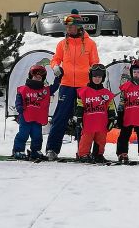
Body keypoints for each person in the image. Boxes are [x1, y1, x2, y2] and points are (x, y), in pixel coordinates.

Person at [46, 9, 100, 161]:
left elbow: (95, 63)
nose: (68, 29)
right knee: (60, 118)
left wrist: (94, 78)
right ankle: (52, 149)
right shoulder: (62, 44)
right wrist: (55, 66)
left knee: (84, 119)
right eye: (67, 27)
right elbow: (55, 59)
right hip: (66, 85)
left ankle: (83, 151)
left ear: (78, 27)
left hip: (84, 87)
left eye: (71, 26)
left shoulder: (90, 44)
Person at [13, 64, 61, 160]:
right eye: (35, 76)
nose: (37, 78)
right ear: (31, 76)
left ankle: (36, 151)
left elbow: (54, 87)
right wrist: (19, 107)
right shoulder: (23, 89)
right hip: (25, 118)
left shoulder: (44, 91)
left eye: (40, 77)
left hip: (37, 119)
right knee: (23, 134)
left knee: (37, 136)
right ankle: (18, 150)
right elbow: (19, 99)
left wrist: (58, 77)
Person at [75, 64, 116, 163]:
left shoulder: (106, 93)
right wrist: (79, 117)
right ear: (90, 77)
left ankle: (98, 154)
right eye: (95, 76)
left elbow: (111, 106)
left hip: (102, 122)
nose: (97, 79)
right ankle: (83, 154)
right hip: (88, 122)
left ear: (103, 78)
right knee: (86, 138)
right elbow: (79, 105)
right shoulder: (83, 91)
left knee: (101, 139)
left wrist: (112, 118)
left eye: (99, 77)